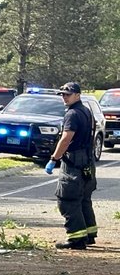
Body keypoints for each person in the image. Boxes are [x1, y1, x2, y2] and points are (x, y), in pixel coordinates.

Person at [46, 81, 98, 250]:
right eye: (62, 94)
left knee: (67, 199)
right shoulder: (86, 111)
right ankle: (89, 234)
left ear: (77, 95)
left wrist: (54, 158)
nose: (64, 98)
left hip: (74, 162)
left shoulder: (72, 114)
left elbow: (66, 138)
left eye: (68, 94)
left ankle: (76, 239)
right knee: (84, 199)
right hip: (87, 161)